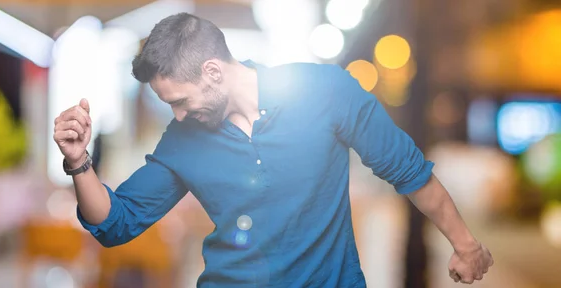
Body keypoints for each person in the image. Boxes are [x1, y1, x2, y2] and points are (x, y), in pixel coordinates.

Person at [53, 12, 493, 287]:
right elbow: (115, 223)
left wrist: (466, 245)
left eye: (180, 101)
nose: (179, 116)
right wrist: (78, 162)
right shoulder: (182, 139)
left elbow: (409, 172)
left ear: (212, 72)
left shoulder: (324, 92)